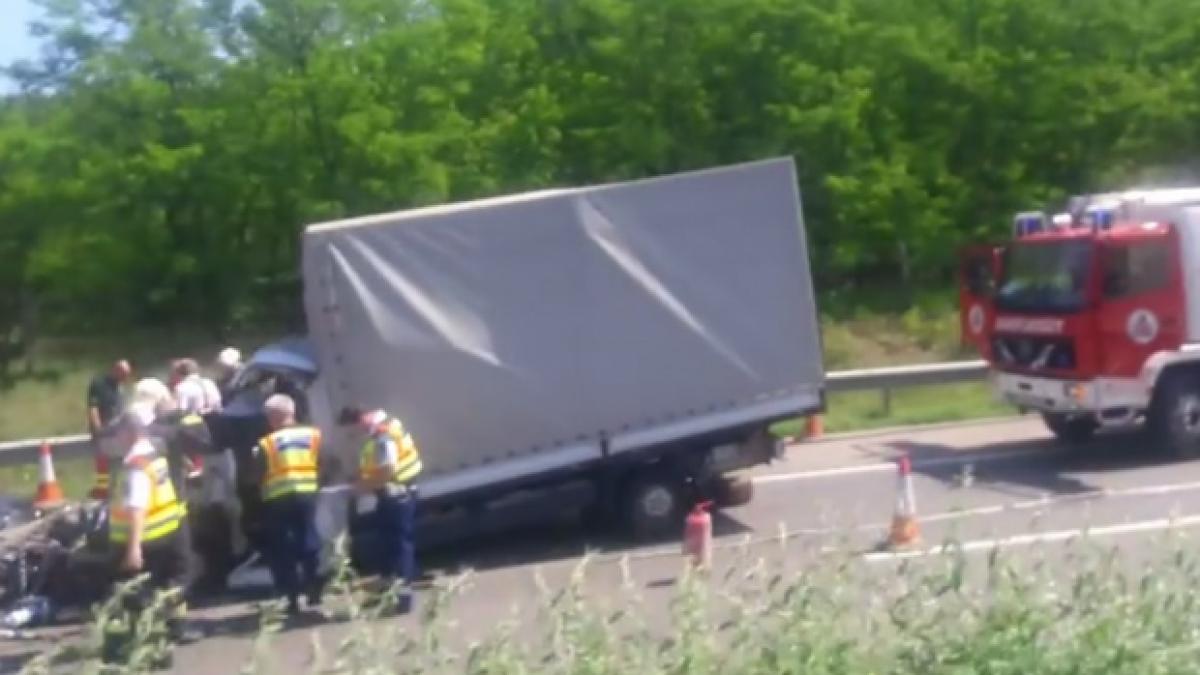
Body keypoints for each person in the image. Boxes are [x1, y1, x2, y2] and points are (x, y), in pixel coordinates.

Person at [104, 406, 190, 661]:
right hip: (166, 535)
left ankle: (134, 653)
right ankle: (161, 650)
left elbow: (137, 507)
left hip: (142, 541)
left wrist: (133, 549)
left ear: (129, 433)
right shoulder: (155, 455)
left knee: (130, 599)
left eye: (118, 433)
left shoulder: (136, 465)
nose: (116, 439)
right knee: (159, 596)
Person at [338, 405, 423, 614]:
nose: (356, 433)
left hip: (397, 495)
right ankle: (388, 593)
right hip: (395, 494)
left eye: (355, 428)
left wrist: (361, 488)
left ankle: (402, 599)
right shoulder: (388, 425)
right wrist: (361, 477)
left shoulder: (382, 436)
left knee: (397, 547)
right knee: (388, 546)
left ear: (362, 419)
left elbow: (387, 469)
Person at [253, 394, 322, 614]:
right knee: (309, 539)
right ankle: (314, 589)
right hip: (307, 494)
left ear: (274, 416)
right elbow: (323, 461)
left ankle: (290, 598)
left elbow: (257, 473)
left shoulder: (266, 443)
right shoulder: (313, 435)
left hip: (277, 499)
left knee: (282, 549)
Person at [87, 360, 132, 500]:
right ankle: (103, 495)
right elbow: (93, 407)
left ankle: (112, 493)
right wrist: (98, 429)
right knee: (103, 468)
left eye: (126, 376)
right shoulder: (98, 384)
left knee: (118, 467)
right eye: (123, 374)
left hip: (118, 433)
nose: (124, 379)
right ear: (115, 369)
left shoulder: (120, 386)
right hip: (104, 431)